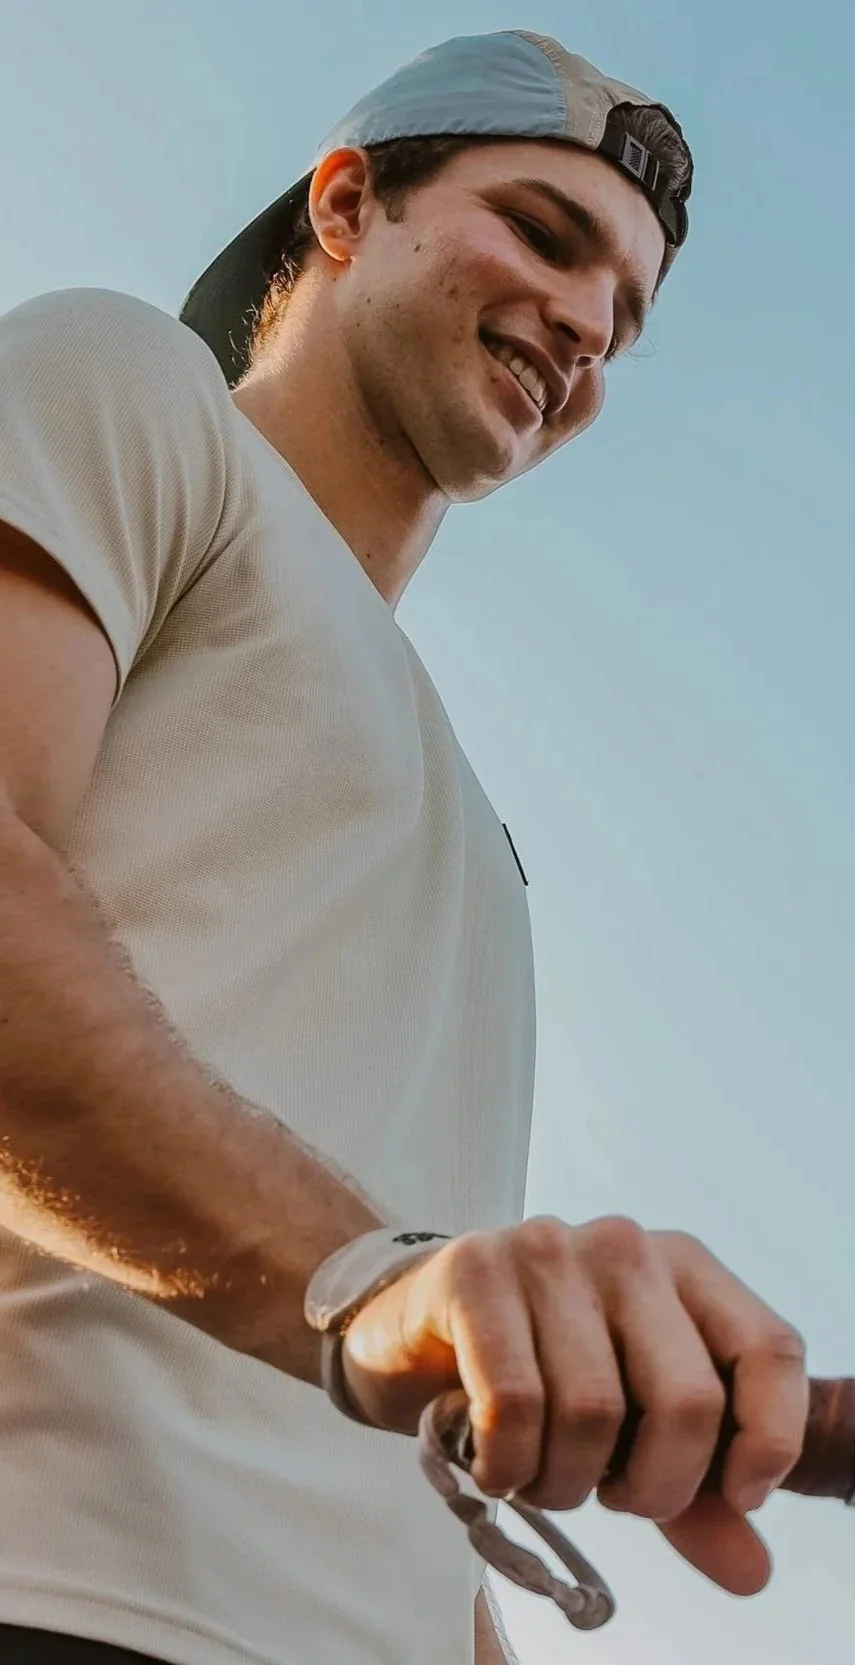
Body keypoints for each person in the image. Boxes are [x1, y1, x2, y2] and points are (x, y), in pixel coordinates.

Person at [0, 29, 808, 1665]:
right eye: (544, 231)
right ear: (351, 204)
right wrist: (366, 1278)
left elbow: (400, 1365)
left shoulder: (483, 847)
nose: (586, 322)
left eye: (626, 316)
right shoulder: (129, 389)